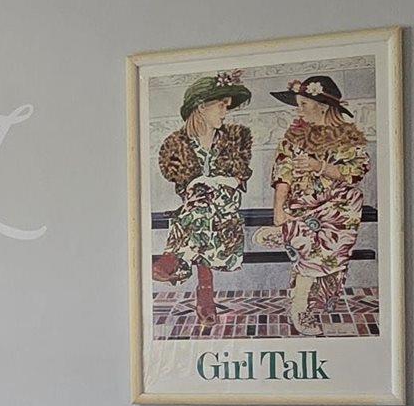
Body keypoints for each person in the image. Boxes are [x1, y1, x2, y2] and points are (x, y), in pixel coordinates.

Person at [266, 74, 370, 333]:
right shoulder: (294, 136)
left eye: (303, 104)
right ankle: (301, 307)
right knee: (316, 240)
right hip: (303, 203)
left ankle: (292, 234)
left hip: (335, 208)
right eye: (298, 105)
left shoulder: (348, 137)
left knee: (349, 201)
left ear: (322, 106)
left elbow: (357, 171)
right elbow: (282, 174)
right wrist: (278, 209)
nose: (299, 110)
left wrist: (320, 167)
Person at [154, 72, 254, 330]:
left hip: (225, 206)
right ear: (201, 107)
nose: (225, 112)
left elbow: (238, 180)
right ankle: (205, 295)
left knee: (199, 208)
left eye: (227, 106)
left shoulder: (236, 137)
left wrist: (211, 182)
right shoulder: (177, 145)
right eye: (221, 105)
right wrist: (200, 185)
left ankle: (171, 261)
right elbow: (183, 184)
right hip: (197, 209)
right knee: (199, 210)